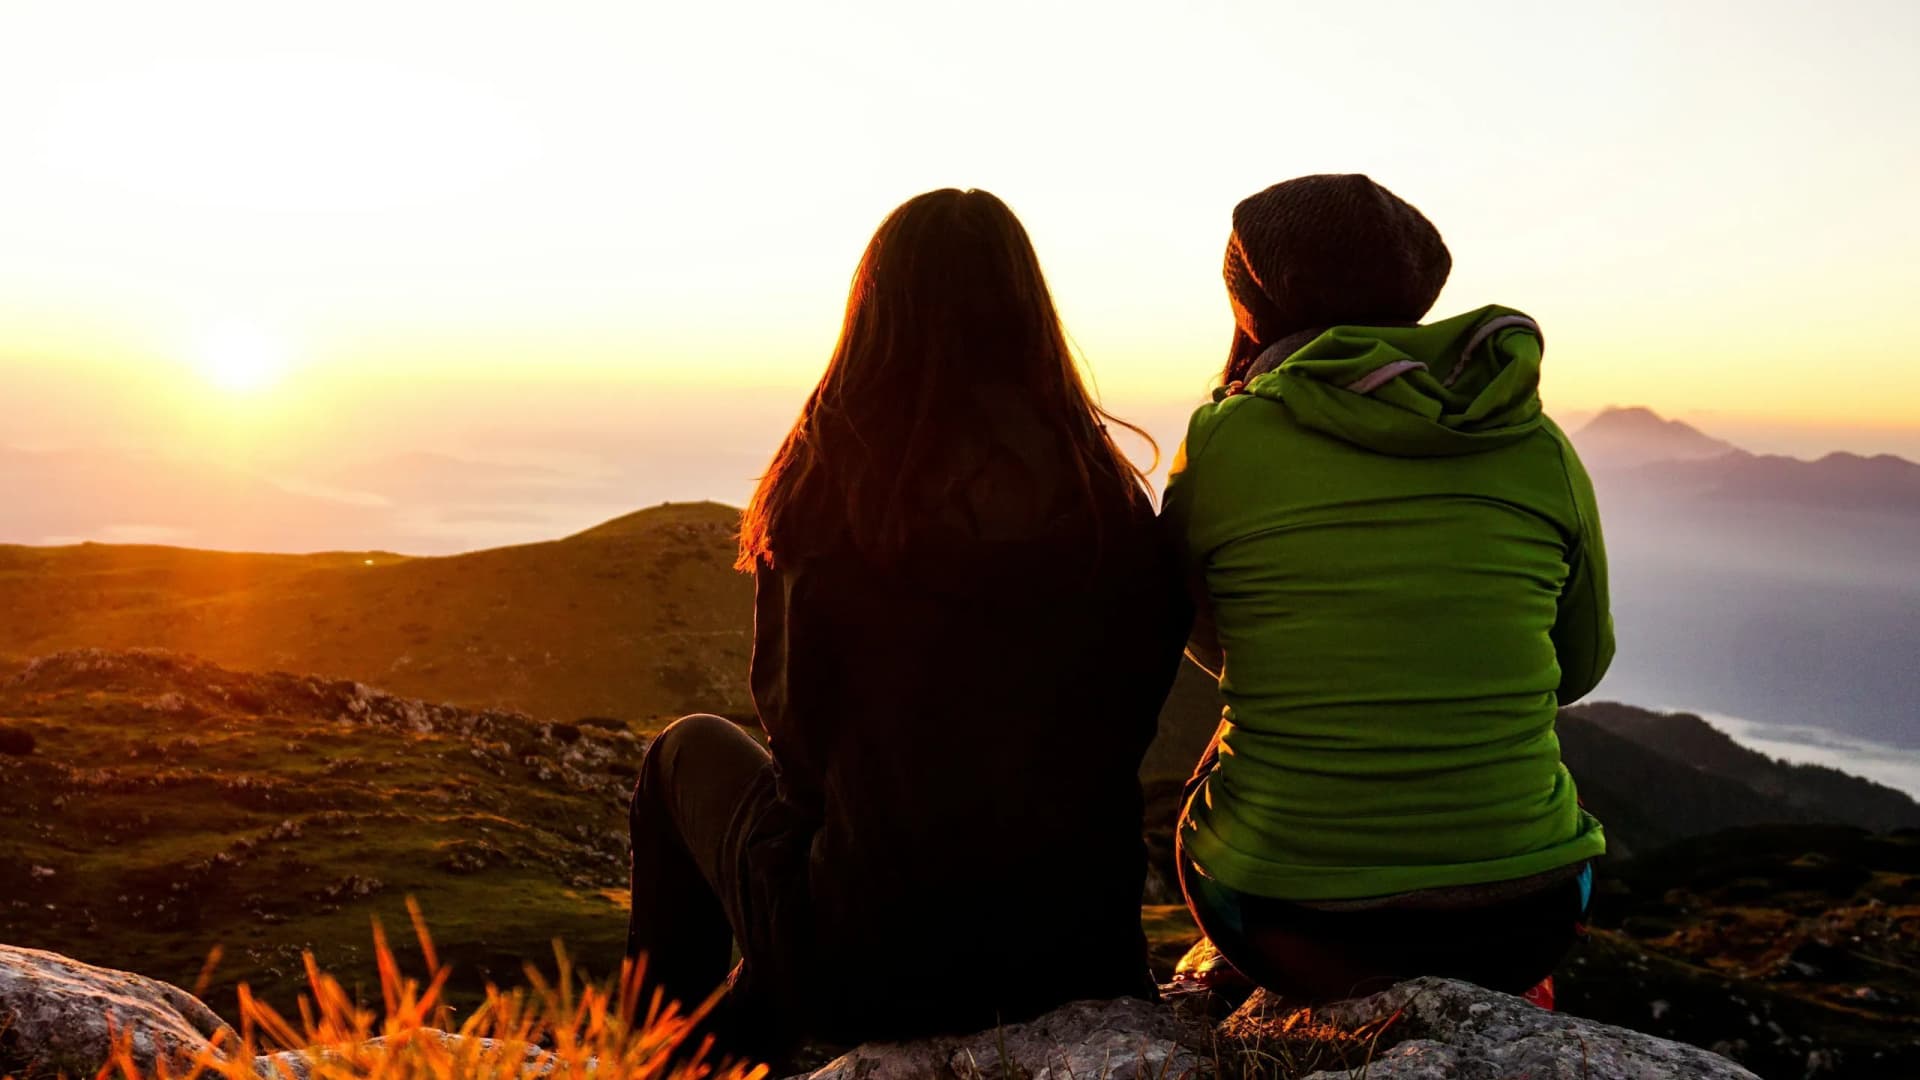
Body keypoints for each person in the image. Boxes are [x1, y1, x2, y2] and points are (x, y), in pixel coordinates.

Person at [626, 188, 1189, 1061]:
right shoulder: (1109, 498)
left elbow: (796, 746)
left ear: (873, 310)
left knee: (682, 754)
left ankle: (661, 1060)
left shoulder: (829, 484)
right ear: (1029, 312)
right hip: (1080, 951)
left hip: (874, 964)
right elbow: (1134, 710)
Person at [1162, 174, 1612, 1005]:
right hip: (1534, 916)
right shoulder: (1534, 440)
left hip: (1282, 924)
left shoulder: (1222, 442)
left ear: (1252, 302)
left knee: (1214, 762)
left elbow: (1211, 644)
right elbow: (1578, 668)